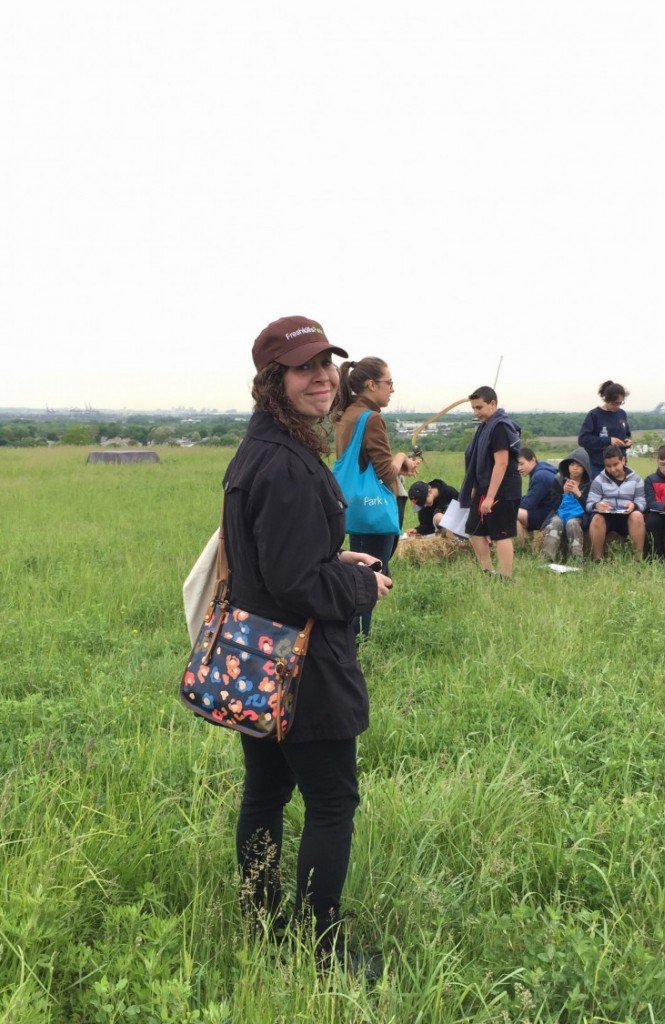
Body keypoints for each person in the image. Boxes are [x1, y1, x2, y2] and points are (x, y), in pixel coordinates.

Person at [224, 316, 392, 972]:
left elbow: (275, 562)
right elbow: (297, 584)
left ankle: (260, 916)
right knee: (331, 802)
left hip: (257, 652)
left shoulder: (260, 448)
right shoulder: (288, 465)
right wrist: (362, 586)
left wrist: (333, 557)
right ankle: (320, 951)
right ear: (273, 382)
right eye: (304, 367)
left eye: (327, 362)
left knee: (265, 790)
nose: (322, 375)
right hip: (302, 662)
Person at [333, 357, 419, 637]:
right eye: (389, 383)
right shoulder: (371, 418)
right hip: (375, 511)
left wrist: (398, 463)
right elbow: (384, 472)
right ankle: (360, 641)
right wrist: (402, 456)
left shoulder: (348, 413)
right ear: (372, 384)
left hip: (355, 508)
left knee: (360, 572)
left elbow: (363, 463)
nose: (392, 389)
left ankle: (352, 636)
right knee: (371, 578)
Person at [459, 386, 522, 580]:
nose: (476, 412)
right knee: (474, 529)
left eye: (479, 407)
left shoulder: (500, 427)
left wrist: (491, 496)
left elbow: (501, 463)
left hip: (503, 488)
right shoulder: (484, 427)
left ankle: (505, 578)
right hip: (484, 486)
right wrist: (476, 489)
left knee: (501, 533)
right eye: (473, 409)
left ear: (492, 403)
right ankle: (487, 572)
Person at [586, 445, 646, 561]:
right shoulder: (598, 480)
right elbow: (589, 504)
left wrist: (634, 505)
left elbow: (642, 502)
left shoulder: (636, 479)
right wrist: (597, 505)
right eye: (608, 466)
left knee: (638, 515)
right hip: (607, 518)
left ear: (623, 460)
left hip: (627, 517)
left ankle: (638, 558)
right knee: (597, 518)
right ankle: (597, 559)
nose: (612, 469)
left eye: (615, 464)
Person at [540, 447, 591, 563]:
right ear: (568, 466)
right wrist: (563, 492)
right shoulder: (558, 481)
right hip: (560, 513)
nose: (575, 468)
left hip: (577, 515)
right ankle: (547, 558)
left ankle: (577, 558)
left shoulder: (588, 485)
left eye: (579, 465)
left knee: (572, 523)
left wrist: (578, 493)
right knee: (555, 523)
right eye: (572, 464)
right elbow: (554, 506)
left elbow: (588, 507)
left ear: (584, 468)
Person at [577, 380, 632, 477]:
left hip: (620, 465)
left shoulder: (622, 414)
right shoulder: (594, 415)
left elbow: (626, 433)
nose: (618, 406)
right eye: (615, 403)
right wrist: (609, 440)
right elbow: (583, 439)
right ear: (607, 400)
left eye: (621, 402)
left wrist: (628, 441)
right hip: (599, 467)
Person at [516, 447, 559, 542]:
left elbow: (528, 504)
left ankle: (521, 547)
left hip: (549, 515)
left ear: (532, 461)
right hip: (551, 511)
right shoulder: (543, 470)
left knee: (512, 513)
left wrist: (511, 502)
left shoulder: (540, 476)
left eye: (522, 464)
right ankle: (527, 543)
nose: (519, 468)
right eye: (517, 465)